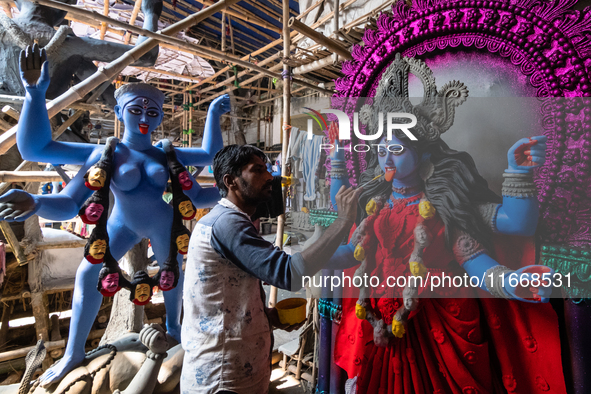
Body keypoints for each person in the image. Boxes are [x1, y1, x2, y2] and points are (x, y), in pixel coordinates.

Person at [326, 56, 566, 393]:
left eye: (397, 147)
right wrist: (315, 256)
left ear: (423, 153)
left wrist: (511, 280)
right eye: (381, 148)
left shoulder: (445, 201)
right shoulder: (375, 204)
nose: (387, 157)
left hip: (439, 323)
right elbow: (353, 251)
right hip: (384, 325)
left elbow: (502, 236)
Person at [0, 45, 229, 385]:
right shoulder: (105, 153)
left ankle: (174, 329)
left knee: (174, 279)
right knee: (86, 276)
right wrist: (35, 94)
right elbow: (44, 162)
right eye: (136, 110)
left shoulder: (168, 154)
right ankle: (73, 352)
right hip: (120, 226)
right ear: (120, 113)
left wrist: (231, 186)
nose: (144, 119)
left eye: (153, 113)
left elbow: (209, 160)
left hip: (165, 226)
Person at [181, 144, 363, 394]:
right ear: (230, 181)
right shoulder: (228, 224)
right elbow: (289, 273)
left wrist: (261, 316)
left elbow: (222, 294)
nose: (269, 177)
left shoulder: (229, 221)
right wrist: (343, 221)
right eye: (258, 170)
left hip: (238, 368)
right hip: (223, 376)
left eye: (267, 169)